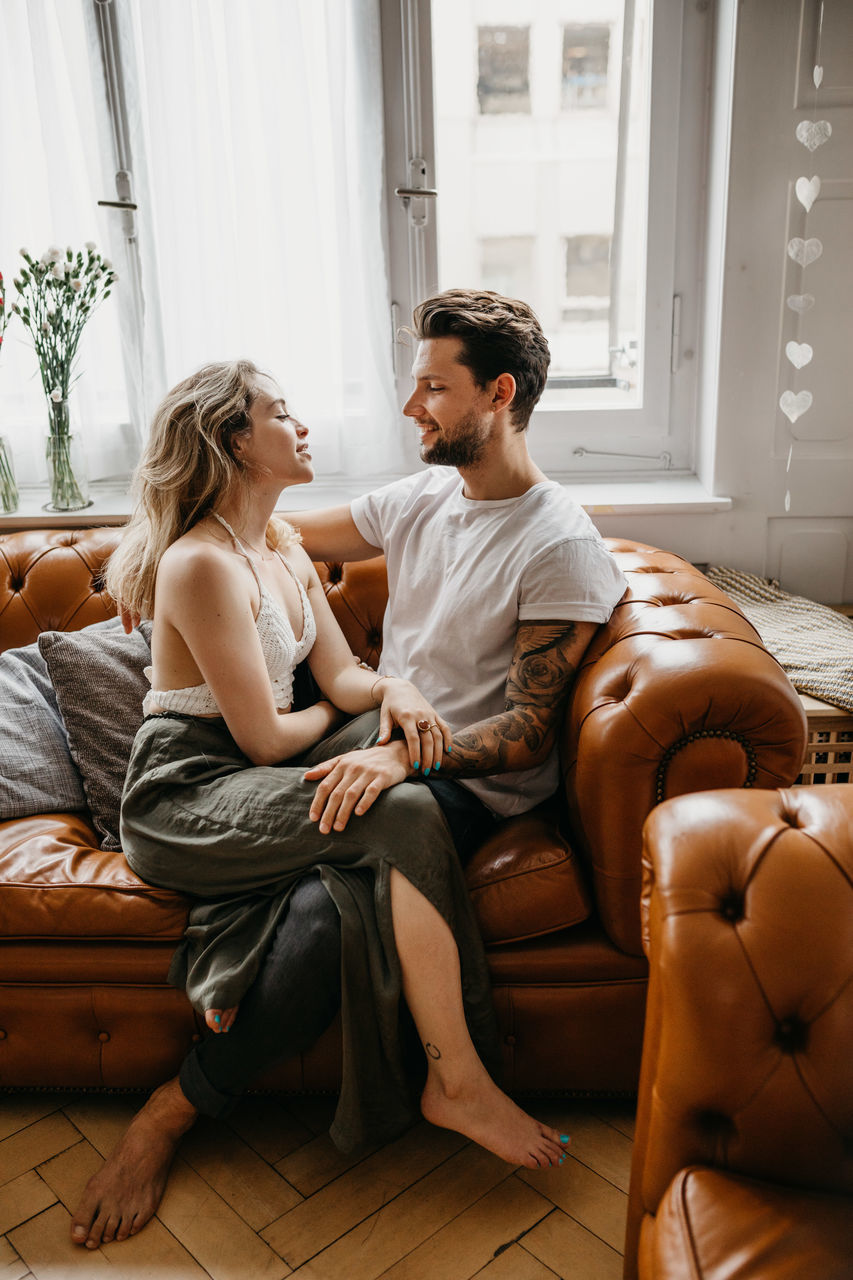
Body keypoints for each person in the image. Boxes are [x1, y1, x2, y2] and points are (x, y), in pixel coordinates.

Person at [71, 349, 573, 1250]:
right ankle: (451, 1077)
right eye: (280, 412)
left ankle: (201, 1090)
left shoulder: (281, 545)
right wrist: (375, 717)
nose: (303, 427)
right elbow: (267, 736)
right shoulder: (200, 565)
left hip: (257, 773)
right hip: (188, 789)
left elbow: (340, 675)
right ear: (234, 440)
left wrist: (397, 696)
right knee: (405, 799)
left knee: (379, 820)